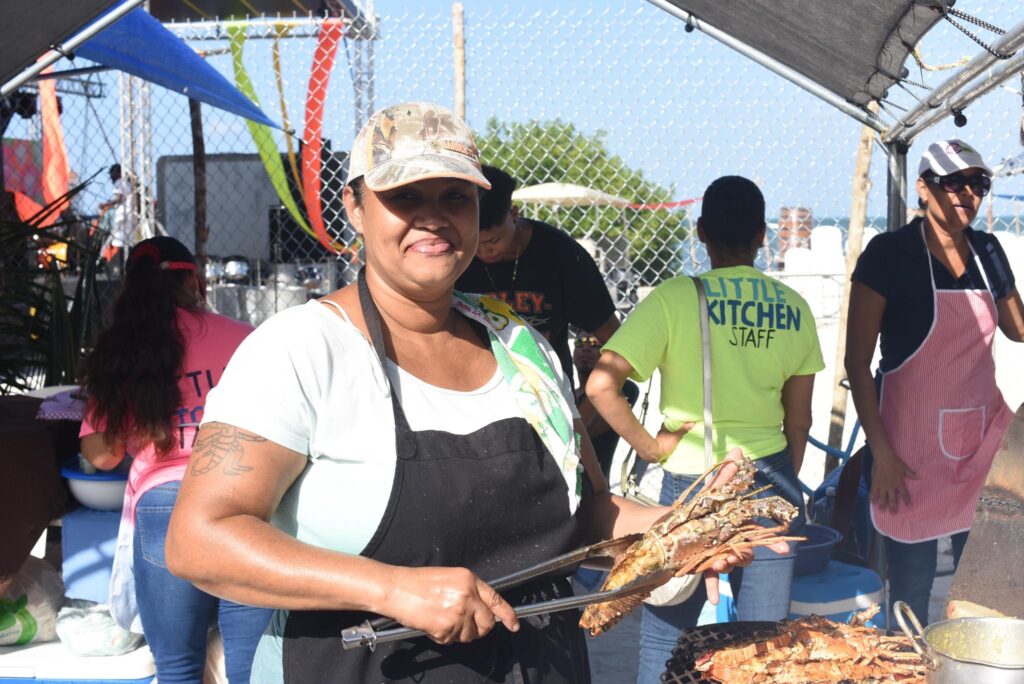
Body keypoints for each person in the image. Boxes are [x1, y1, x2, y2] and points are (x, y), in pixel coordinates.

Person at [163, 102, 772, 684]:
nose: (433, 217)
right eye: (404, 196)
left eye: (455, 197)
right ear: (355, 205)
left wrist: (675, 531)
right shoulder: (301, 349)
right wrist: (393, 588)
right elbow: (200, 539)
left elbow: (585, 515)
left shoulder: (523, 348)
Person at [587, 175, 823, 684]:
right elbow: (799, 419)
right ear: (763, 236)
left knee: (665, 631)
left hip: (691, 483)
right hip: (770, 476)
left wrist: (651, 446)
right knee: (763, 641)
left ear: (700, 232)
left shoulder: (673, 299)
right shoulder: (794, 308)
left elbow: (600, 387)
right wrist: (781, 482)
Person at [78, 236, 272, 683]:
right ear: (194, 279)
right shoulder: (244, 337)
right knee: (251, 668)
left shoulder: (120, 357)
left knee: (178, 668)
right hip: (244, 499)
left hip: (165, 508)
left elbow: (103, 456)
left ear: (131, 287)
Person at [846, 139, 1024, 624]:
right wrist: (880, 454)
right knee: (911, 589)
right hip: (908, 450)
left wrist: (1008, 281)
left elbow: (1017, 329)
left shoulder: (988, 250)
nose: (967, 193)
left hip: (981, 440)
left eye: (979, 184)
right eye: (954, 182)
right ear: (923, 188)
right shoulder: (889, 254)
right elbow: (856, 363)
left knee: (983, 579)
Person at [455, 165, 620, 387]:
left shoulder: (561, 255)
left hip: (549, 389)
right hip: (477, 389)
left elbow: (612, 337)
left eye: (494, 241)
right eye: (475, 242)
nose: (484, 252)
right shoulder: (455, 253)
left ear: (514, 214)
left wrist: (591, 403)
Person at [573, 331, 639, 479]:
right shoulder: (568, 394)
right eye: (579, 343)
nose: (585, 348)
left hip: (593, 491)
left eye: (595, 344)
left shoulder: (624, 389)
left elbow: (576, 433)